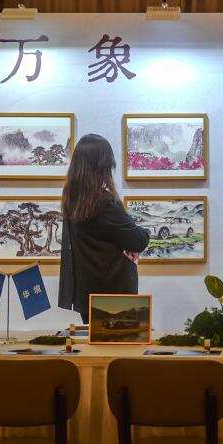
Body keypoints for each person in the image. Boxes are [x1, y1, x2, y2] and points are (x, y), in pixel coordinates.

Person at [58, 133, 150, 321]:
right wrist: (141, 236)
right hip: (115, 295)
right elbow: (139, 240)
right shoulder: (104, 202)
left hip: (87, 295)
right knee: (120, 339)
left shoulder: (72, 200)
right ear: (102, 166)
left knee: (95, 340)